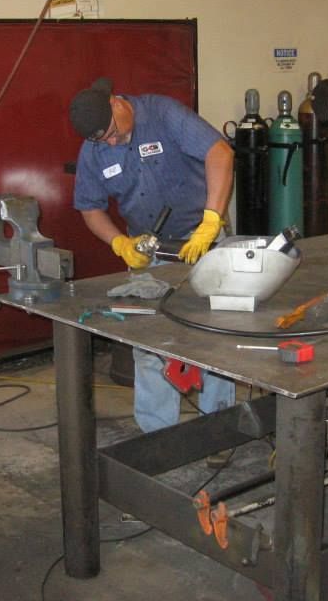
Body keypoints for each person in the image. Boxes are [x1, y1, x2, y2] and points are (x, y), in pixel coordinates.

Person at [69, 77, 236, 434]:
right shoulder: (94, 149)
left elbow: (220, 153)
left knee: (214, 335)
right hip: (150, 250)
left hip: (200, 239)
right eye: (103, 141)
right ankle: (157, 436)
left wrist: (211, 221)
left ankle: (220, 427)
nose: (111, 143)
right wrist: (120, 244)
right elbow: (90, 207)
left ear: (116, 103)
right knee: (149, 344)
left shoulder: (163, 114)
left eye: (113, 134)